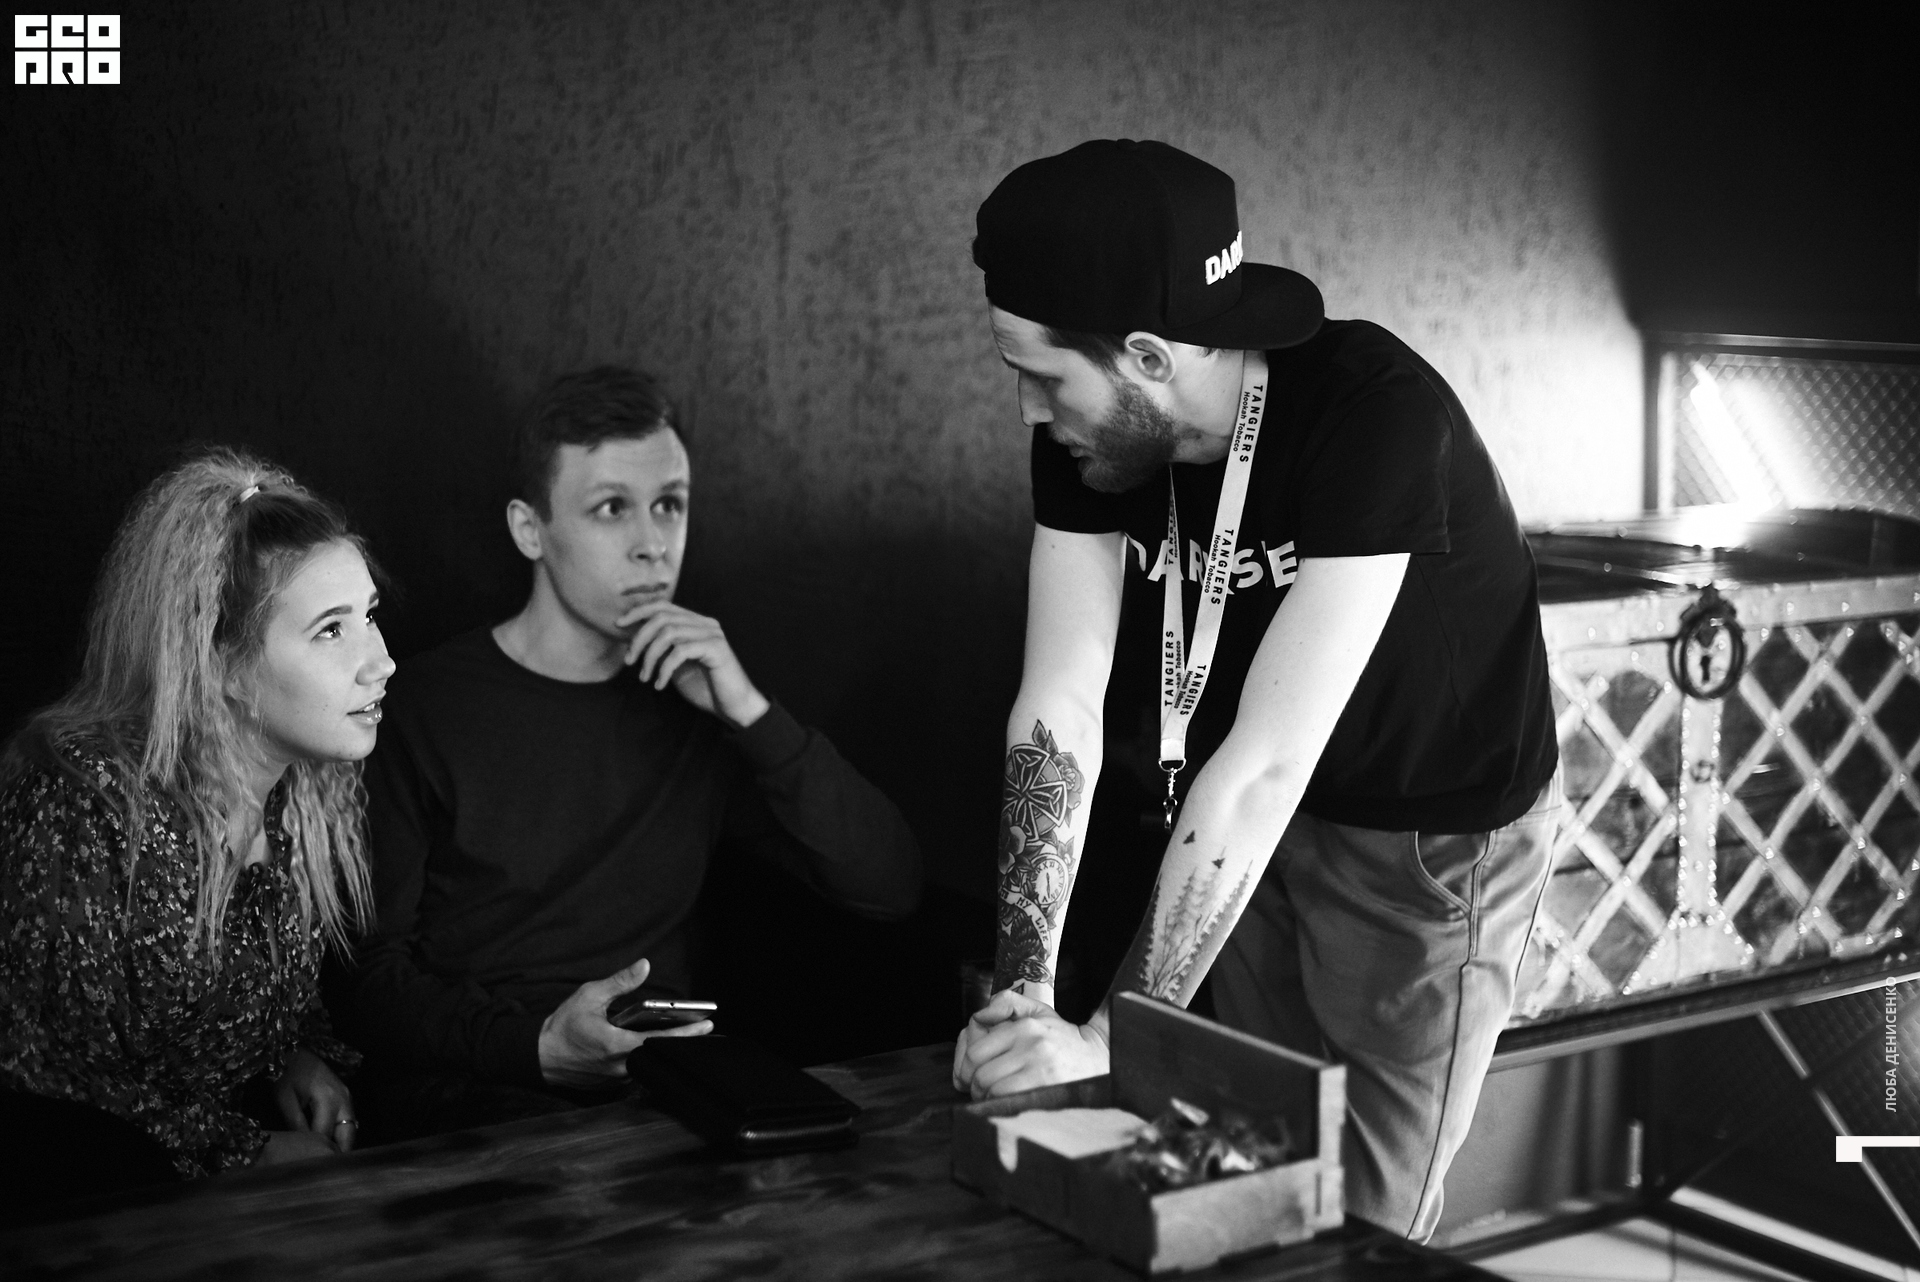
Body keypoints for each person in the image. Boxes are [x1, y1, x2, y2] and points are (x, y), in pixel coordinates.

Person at [951, 140, 1562, 1240]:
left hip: (1425, 841)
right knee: (1236, 1163)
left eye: (1043, 376)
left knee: (1363, 1213)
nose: (1033, 411)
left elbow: (1272, 760)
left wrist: (1101, 1041)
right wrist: (1026, 994)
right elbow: (1059, 705)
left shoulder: (1375, 414)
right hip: (1235, 824)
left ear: (1146, 355)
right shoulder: (1096, 438)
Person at [334, 366, 923, 1136]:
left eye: (669, 505)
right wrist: (537, 1047)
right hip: (478, 1094)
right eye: (612, 508)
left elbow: (889, 887)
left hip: (663, 1091)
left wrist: (750, 712)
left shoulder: (697, 706)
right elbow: (365, 982)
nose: (651, 545)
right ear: (530, 529)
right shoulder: (420, 708)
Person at [0, 449, 394, 1195]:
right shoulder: (82, 798)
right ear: (221, 663)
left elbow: (254, 994)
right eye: (331, 631)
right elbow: (52, 1073)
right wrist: (241, 1152)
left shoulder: (306, 790)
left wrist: (292, 1055)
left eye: (368, 616)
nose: (382, 662)